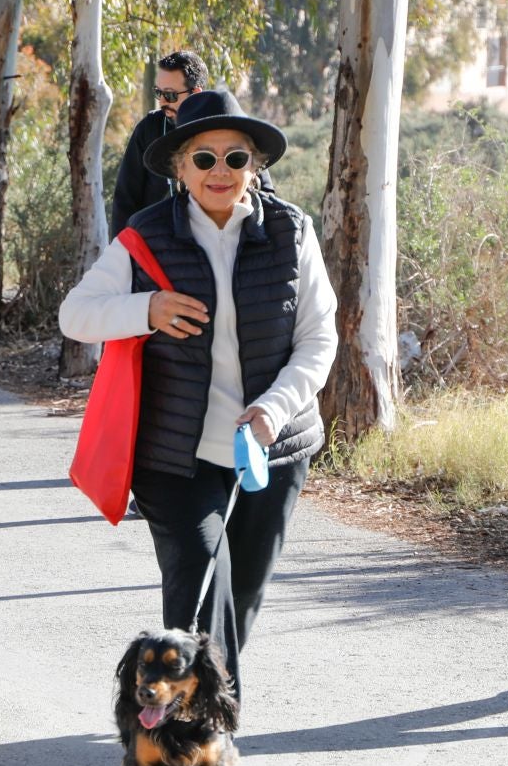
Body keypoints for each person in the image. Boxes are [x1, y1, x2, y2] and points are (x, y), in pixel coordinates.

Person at [60, 88, 337, 705]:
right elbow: (76, 315)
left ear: (255, 168)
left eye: (235, 158)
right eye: (204, 158)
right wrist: (146, 308)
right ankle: (203, 728)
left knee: (239, 599)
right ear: (179, 168)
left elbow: (319, 338)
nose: (220, 171)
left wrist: (274, 408)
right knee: (198, 586)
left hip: (272, 448)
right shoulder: (145, 237)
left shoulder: (293, 232)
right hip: (175, 454)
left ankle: (207, 703)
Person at [109, 51, 208, 236]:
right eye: (158, 93)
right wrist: (121, 255)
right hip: (156, 247)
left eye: (170, 95)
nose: (162, 101)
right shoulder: (148, 129)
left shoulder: (224, 129)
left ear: (195, 93)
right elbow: (125, 200)